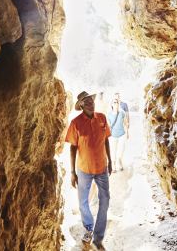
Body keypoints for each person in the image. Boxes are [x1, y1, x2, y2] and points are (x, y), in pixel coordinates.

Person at [65, 91, 112, 249]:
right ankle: (89, 228)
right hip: (84, 169)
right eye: (87, 101)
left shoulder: (102, 118)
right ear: (82, 105)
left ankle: (99, 237)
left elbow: (106, 140)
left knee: (105, 200)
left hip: (102, 168)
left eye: (92, 100)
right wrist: (72, 172)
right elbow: (72, 148)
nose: (91, 103)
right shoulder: (75, 123)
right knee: (83, 202)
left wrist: (110, 160)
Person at [108, 97, 129, 172]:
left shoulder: (122, 112)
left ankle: (119, 161)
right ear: (111, 104)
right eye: (114, 102)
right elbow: (108, 126)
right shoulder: (109, 114)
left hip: (122, 135)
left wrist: (127, 133)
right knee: (113, 150)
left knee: (121, 150)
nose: (116, 103)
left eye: (117, 102)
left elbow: (126, 123)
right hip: (113, 136)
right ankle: (113, 164)